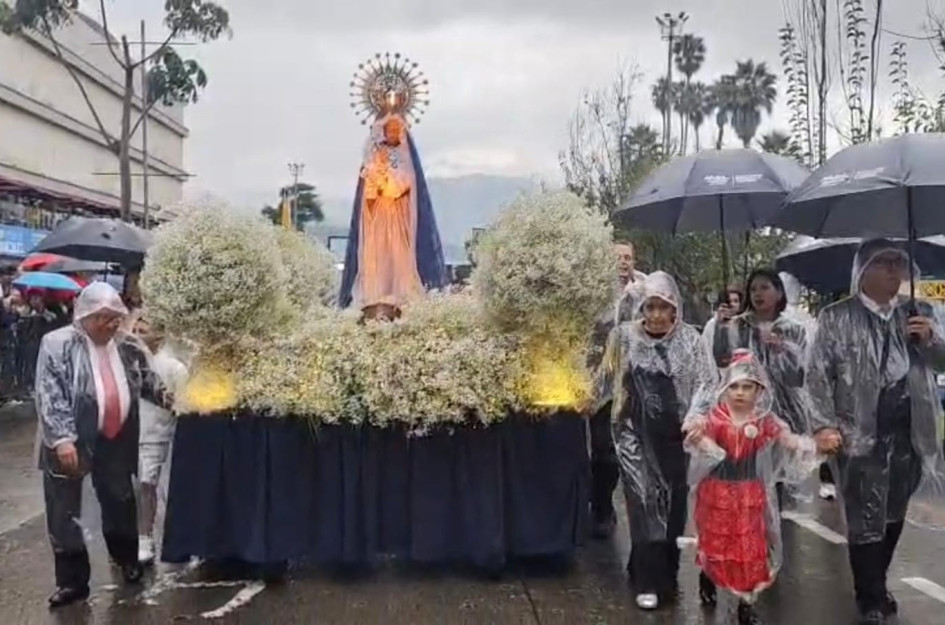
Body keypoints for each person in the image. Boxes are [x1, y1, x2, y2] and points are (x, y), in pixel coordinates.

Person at [807, 238, 945, 625]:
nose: (893, 272)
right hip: (859, 434)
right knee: (865, 517)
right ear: (863, 271)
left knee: (894, 511)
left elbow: (942, 361)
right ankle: (869, 594)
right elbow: (817, 375)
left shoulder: (919, 312)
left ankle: (877, 581)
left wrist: (931, 339)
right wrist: (823, 425)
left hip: (909, 432)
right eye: (884, 264)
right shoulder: (837, 317)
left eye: (898, 264)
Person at [35, 282, 173, 609]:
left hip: (116, 437)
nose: (112, 325)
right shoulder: (57, 344)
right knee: (64, 509)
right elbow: (50, 394)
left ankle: (127, 559)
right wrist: (62, 438)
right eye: (105, 318)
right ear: (86, 316)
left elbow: (148, 381)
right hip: (72, 440)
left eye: (116, 318)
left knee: (120, 499)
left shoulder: (127, 345)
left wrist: (175, 400)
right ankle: (72, 582)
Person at [684, 349, 828, 624]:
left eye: (747, 387)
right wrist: (700, 436)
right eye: (734, 386)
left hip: (749, 493)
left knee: (749, 547)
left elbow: (787, 439)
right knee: (717, 539)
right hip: (717, 491)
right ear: (725, 388)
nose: (739, 393)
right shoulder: (716, 418)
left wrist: (810, 446)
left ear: (759, 390)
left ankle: (747, 602)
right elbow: (699, 437)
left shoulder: (764, 421)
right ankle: (709, 575)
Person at [605, 271, 717, 610]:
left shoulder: (690, 341)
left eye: (662, 307)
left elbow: (706, 383)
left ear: (674, 309)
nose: (655, 315)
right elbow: (606, 378)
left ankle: (664, 570)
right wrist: (581, 399)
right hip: (633, 434)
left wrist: (696, 417)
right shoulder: (624, 337)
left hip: (676, 437)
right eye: (649, 307)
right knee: (643, 503)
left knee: (673, 507)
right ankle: (648, 579)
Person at [338, 113, 447, 316]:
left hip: (399, 216)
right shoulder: (376, 153)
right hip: (379, 215)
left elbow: (408, 182)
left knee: (398, 254)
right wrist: (376, 181)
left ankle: (400, 295)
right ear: (383, 131)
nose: (394, 133)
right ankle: (376, 294)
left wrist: (391, 186)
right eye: (390, 129)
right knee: (378, 254)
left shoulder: (406, 156)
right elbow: (368, 189)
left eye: (397, 129)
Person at [586, 242, 648, 539]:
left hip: (634, 383)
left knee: (630, 450)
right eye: (618, 258)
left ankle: (631, 509)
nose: (623, 262)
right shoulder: (594, 290)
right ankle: (598, 505)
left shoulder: (645, 289)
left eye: (628, 257)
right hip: (599, 383)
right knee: (600, 450)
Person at [133, 316, 188, 565]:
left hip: (163, 433)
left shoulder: (175, 368)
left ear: (160, 334)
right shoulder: (129, 362)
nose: (137, 335)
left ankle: (158, 537)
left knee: (157, 486)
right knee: (141, 486)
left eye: (143, 331)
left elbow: (182, 405)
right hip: (136, 433)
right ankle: (141, 536)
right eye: (135, 330)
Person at [703, 284, 743, 366]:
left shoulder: (743, 325)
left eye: (735, 301)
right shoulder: (712, 324)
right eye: (729, 301)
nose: (732, 304)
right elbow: (704, 349)